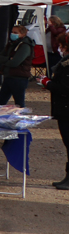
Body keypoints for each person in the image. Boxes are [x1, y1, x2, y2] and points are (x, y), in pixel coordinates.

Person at [40, 33, 69, 190]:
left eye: (61, 46)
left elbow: (65, 88)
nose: (59, 49)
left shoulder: (68, 64)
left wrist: (48, 83)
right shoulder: (65, 62)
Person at [0, 22, 34, 106]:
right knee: (0, 102)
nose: (12, 34)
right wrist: (9, 58)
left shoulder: (25, 46)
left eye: (16, 33)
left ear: (23, 34)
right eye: (12, 32)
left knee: (19, 103)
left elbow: (15, 62)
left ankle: (20, 118)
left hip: (19, 78)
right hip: (8, 76)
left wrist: (7, 60)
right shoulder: (11, 44)